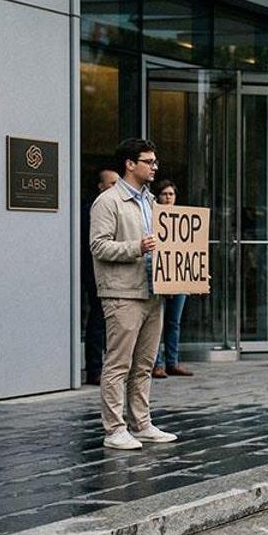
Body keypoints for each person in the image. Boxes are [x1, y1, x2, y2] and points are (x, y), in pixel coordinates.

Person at [89, 138, 178, 450]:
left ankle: (141, 423)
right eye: (148, 161)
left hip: (153, 292)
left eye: (154, 161)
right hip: (122, 293)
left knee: (144, 363)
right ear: (130, 164)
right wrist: (136, 247)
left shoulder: (151, 202)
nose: (154, 167)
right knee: (118, 364)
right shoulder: (109, 202)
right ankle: (114, 429)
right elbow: (98, 246)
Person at [151, 179, 193, 379]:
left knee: (174, 321)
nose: (168, 197)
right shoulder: (150, 218)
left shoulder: (183, 218)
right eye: (165, 194)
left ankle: (172, 362)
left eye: (171, 194)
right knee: (158, 321)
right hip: (161, 275)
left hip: (179, 276)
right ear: (157, 196)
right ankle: (156, 363)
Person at [82, 167, 118, 385]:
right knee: (97, 319)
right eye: (112, 183)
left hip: (113, 272)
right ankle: (95, 368)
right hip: (95, 272)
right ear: (100, 187)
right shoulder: (92, 210)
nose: (116, 187)